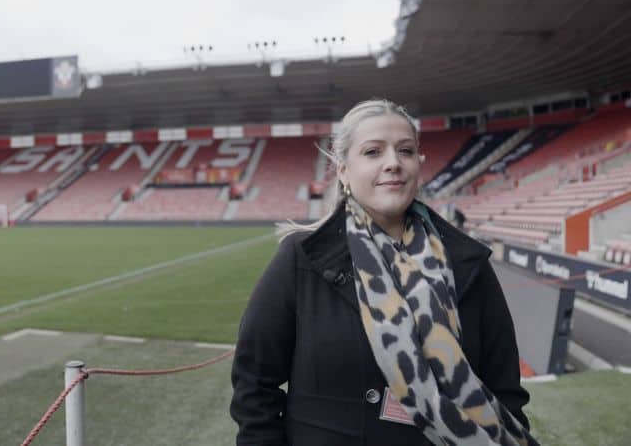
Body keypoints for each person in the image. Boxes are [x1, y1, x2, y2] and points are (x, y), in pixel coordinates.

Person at [230, 99, 537, 446]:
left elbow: (505, 391)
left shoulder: (468, 264)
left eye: (405, 151)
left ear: (418, 165)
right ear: (343, 170)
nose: (393, 163)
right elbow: (254, 384)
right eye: (373, 152)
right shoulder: (300, 259)